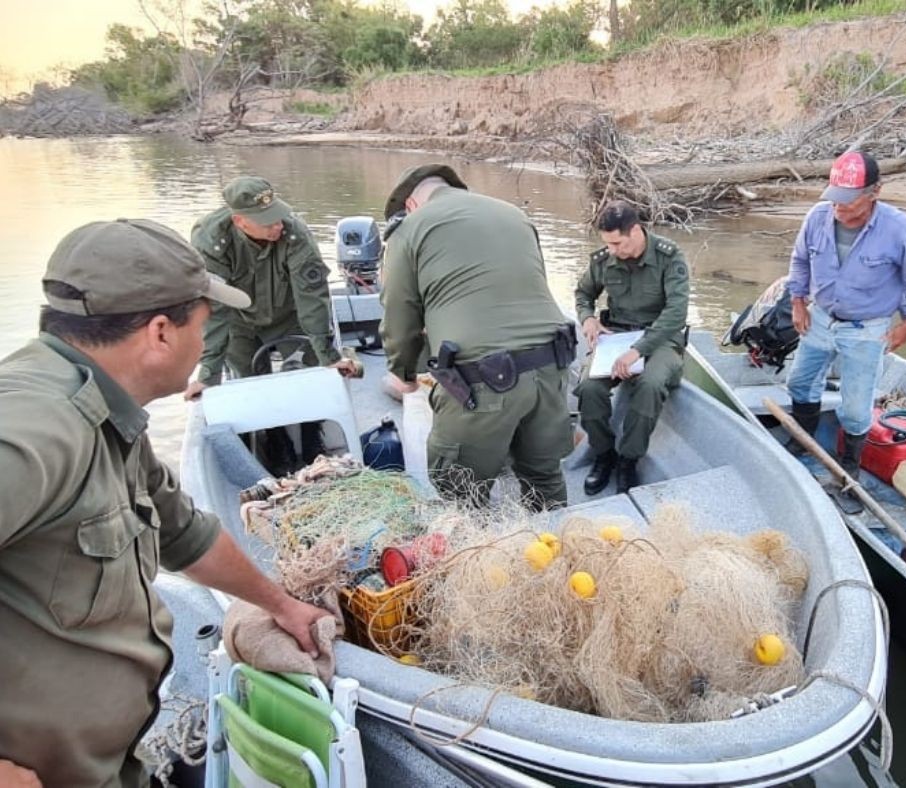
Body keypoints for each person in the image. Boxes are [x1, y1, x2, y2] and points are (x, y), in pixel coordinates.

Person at [0, 219, 332, 787]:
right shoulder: (39, 427)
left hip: (109, 761)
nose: (205, 344)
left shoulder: (108, 410)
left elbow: (184, 534)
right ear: (160, 333)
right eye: (203, 326)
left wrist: (280, 605)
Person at [380, 164, 576, 509]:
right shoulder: (515, 215)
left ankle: (479, 542)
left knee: (461, 493)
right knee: (544, 479)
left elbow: (400, 313)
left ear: (410, 205)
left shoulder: (410, 228)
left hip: (481, 382)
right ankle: (561, 538)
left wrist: (404, 373)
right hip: (552, 366)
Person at [786, 150, 906, 513]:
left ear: (875, 193)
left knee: (856, 409)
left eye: (849, 199)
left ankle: (849, 471)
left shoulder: (898, 229)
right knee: (799, 382)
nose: (839, 207)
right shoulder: (817, 217)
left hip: (866, 328)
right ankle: (803, 439)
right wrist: (797, 301)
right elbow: (800, 259)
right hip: (820, 317)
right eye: (834, 198)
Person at [183, 175, 355, 401]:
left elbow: (311, 297)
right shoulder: (211, 240)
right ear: (239, 221)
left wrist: (328, 356)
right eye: (268, 222)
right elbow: (215, 308)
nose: (278, 226)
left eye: (278, 216)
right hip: (237, 322)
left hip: (288, 316)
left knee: (307, 379)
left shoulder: (295, 234)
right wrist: (209, 374)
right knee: (248, 387)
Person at [575, 201, 690, 496]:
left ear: (636, 231)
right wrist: (588, 318)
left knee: (650, 385)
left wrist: (638, 350)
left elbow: (676, 313)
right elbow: (584, 293)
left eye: (617, 243)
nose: (612, 250)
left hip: (661, 338)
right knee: (589, 388)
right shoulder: (604, 260)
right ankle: (604, 454)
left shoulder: (669, 257)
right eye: (607, 244)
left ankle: (629, 459)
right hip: (616, 336)